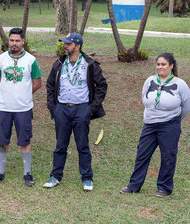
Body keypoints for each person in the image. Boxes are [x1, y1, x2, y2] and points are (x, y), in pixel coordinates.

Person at [43, 33, 107, 191]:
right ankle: (55, 176)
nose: (65, 46)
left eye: (68, 44)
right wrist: (54, 108)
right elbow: (50, 86)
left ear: (77, 46)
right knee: (60, 145)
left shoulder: (89, 64)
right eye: (64, 43)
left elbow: (102, 86)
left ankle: (87, 178)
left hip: (81, 109)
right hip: (62, 109)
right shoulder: (59, 64)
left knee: (83, 146)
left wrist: (90, 109)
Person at [120, 53, 190, 197]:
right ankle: (134, 185)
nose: (160, 67)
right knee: (142, 155)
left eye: (163, 64)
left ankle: (164, 188)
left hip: (169, 125)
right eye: (158, 64)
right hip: (150, 125)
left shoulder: (180, 84)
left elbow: (186, 107)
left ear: (171, 66)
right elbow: (144, 99)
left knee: (168, 157)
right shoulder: (150, 80)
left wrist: (174, 121)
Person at [0, 27, 42, 187]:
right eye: (11, 40)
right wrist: (9, 92)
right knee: (2, 140)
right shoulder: (1, 59)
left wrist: (23, 93)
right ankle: (0, 172)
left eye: (17, 40)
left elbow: (37, 83)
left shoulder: (31, 60)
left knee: (24, 140)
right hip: (4, 107)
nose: (14, 43)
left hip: (23, 108)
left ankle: (27, 173)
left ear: (23, 42)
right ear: (8, 41)